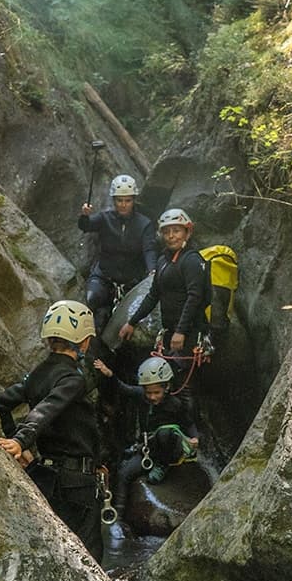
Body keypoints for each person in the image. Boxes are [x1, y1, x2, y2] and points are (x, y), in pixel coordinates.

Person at [0, 300, 103, 563]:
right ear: (84, 342)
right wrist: (20, 441)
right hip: (77, 481)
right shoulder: (73, 379)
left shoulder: (38, 374)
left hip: (47, 474)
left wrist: (18, 441)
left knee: (61, 553)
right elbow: (48, 409)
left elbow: (1, 403)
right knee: (90, 556)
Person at [94, 355, 198, 523]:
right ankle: (117, 519)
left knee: (165, 433)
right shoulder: (141, 396)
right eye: (148, 392)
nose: (152, 397)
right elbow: (123, 388)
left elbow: (189, 423)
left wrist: (195, 438)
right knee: (123, 473)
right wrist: (109, 374)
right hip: (149, 448)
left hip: (170, 447)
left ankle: (162, 466)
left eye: (156, 392)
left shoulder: (175, 404)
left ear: (167, 387)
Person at [118, 208, 209, 356]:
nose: (171, 236)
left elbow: (195, 298)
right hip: (171, 332)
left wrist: (181, 331)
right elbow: (153, 295)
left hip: (190, 333)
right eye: (166, 232)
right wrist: (132, 322)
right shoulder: (163, 261)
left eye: (176, 231)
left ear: (188, 232)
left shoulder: (192, 260)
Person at [78, 174, 158, 336]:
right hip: (104, 276)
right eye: (119, 200)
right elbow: (86, 226)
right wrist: (84, 215)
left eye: (127, 200)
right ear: (114, 201)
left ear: (133, 200)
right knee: (92, 298)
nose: (123, 205)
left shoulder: (144, 224)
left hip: (130, 281)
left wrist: (152, 270)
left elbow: (149, 249)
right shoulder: (104, 218)